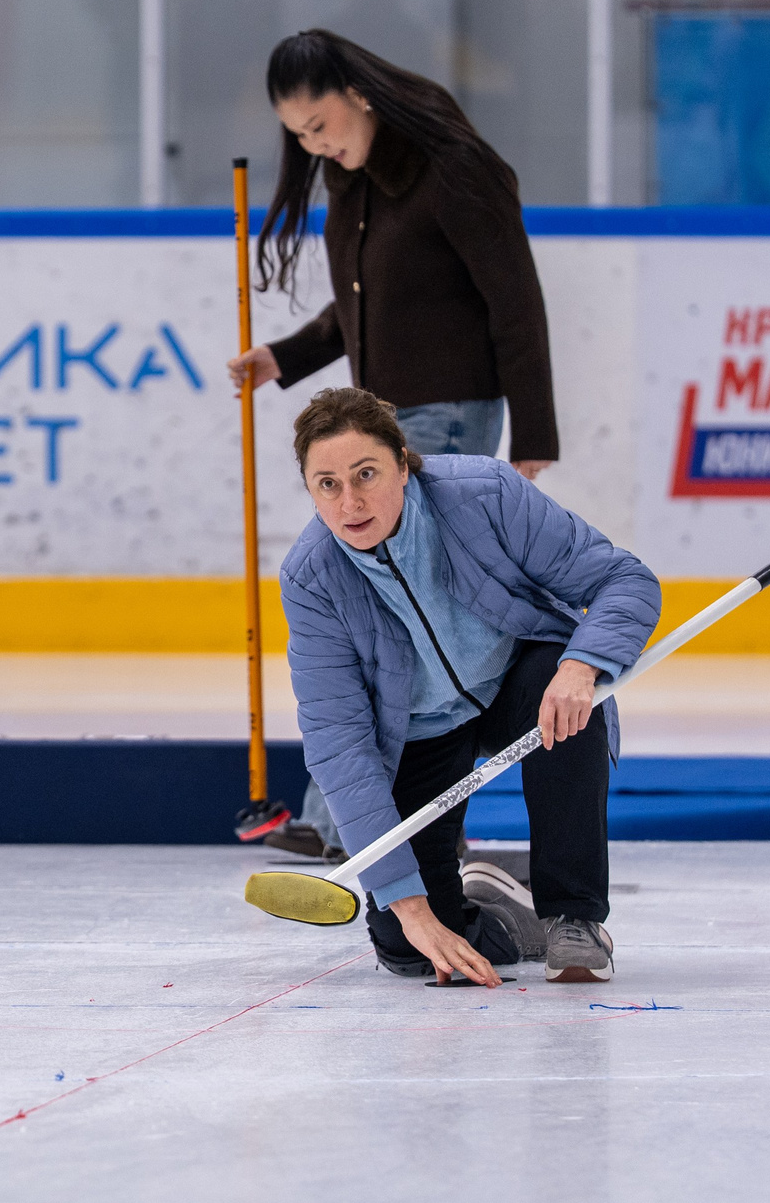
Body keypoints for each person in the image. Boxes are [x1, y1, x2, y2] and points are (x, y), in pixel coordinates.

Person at [227, 29, 564, 865]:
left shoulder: (452, 170)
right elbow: (362, 305)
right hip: (379, 424)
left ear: (359, 92)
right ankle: (347, 817)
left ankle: (357, 821)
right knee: (374, 610)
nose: (315, 145)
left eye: (321, 123)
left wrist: (534, 433)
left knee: (401, 613)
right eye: (299, 135)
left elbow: (515, 300)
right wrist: (283, 358)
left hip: (446, 421)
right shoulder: (357, 183)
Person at [280, 387, 657, 988]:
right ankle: (511, 922)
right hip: (420, 731)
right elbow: (339, 745)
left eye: (366, 473)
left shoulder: (484, 494)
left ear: (405, 464)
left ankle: (573, 914)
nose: (349, 501)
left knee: (564, 702)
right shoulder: (311, 577)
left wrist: (582, 664)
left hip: (520, 678)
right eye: (327, 483)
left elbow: (625, 580)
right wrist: (409, 908)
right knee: (410, 954)